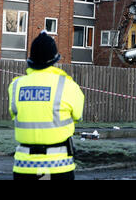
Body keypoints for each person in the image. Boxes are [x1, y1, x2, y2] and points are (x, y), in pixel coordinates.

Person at [8, 31, 84, 180]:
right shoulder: (68, 86)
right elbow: (77, 116)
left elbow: (14, 114)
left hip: (25, 167)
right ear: (55, 59)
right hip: (59, 166)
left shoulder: (16, 86)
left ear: (31, 59)